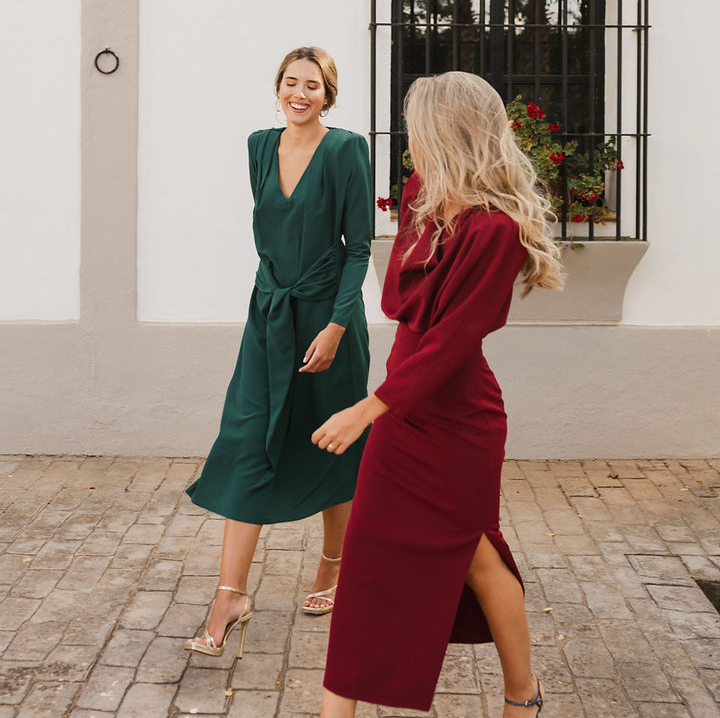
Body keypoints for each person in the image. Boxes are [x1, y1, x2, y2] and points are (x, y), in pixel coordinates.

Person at [312, 71, 565, 717]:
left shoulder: (496, 231)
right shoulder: (423, 195)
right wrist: (383, 406)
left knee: (475, 556)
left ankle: (523, 695)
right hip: (404, 405)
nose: (409, 143)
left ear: (447, 132)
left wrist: (368, 408)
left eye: (417, 128)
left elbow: (451, 341)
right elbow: (399, 298)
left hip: (455, 418)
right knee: (366, 564)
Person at [184, 46, 372, 659]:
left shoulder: (347, 150)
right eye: (290, 82)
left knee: (331, 444)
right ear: (278, 89)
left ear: (328, 93)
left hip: (327, 321)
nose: (299, 93)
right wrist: (273, 308)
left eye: (311, 85)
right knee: (248, 440)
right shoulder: (259, 146)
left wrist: (339, 327)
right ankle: (230, 594)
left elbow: (358, 249)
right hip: (268, 316)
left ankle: (333, 567)